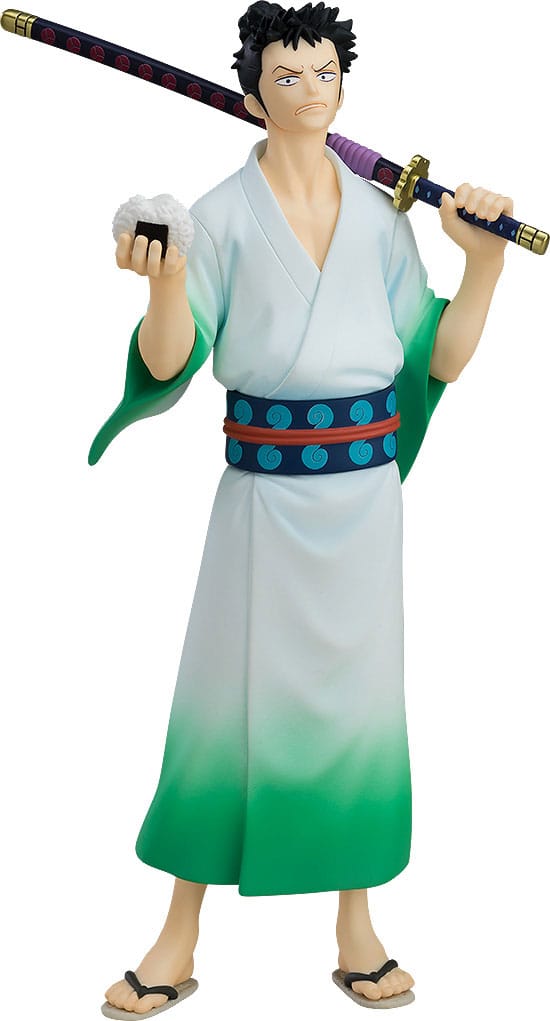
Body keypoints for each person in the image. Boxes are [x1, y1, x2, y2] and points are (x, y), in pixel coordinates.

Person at [98, 2, 511, 1014]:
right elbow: (169, 362)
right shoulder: (215, 217)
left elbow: (439, 358)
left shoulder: (381, 219)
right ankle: (178, 930)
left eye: (324, 72)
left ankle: (355, 922)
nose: (310, 90)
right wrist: (167, 281)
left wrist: (483, 261)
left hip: (363, 506)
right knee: (219, 704)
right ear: (253, 97)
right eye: (286, 76)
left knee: (357, 706)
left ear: (343, 85)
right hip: (261, 504)